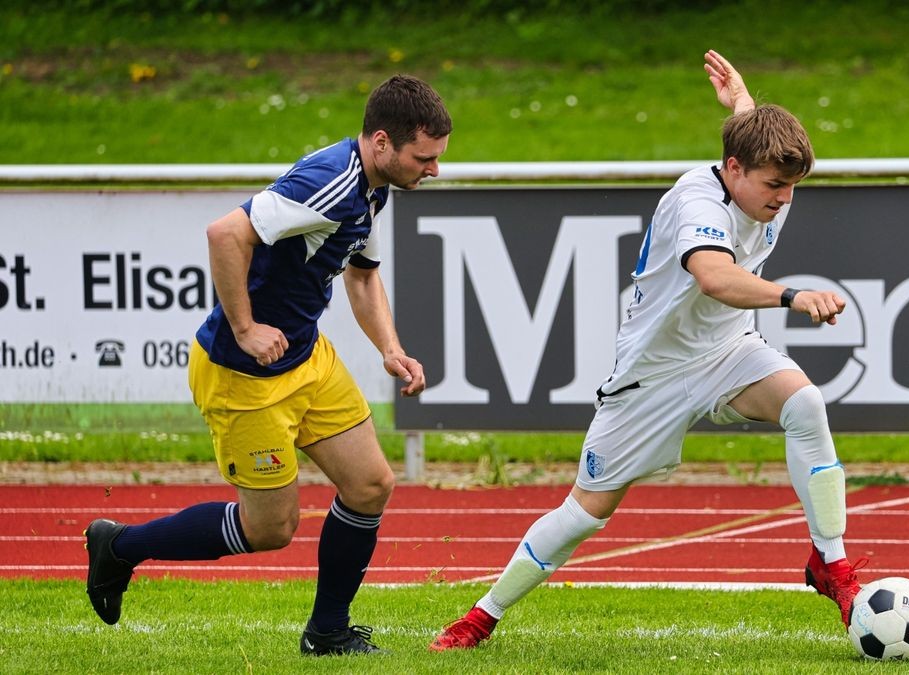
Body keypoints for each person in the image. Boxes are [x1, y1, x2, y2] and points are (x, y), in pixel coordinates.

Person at [430, 50, 867, 652]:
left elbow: (750, 136)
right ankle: (482, 616)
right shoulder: (697, 202)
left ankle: (833, 567)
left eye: (793, 186)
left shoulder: (753, 170)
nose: (786, 199)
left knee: (805, 405)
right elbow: (715, 277)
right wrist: (793, 296)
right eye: (775, 186)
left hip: (727, 350)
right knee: (586, 512)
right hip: (651, 377)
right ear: (734, 169)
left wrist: (742, 101)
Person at [84, 74, 451, 656]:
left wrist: (390, 347)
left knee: (370, 485)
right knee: (271, 530)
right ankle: (120, 546)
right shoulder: (330, 182)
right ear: (382, 142)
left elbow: (361, 273)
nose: (433, 170)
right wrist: (246, 328)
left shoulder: (375, 186)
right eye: (424, 158)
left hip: (307, 359)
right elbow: (225, 234)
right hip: (243, 376)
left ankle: (327, 632)